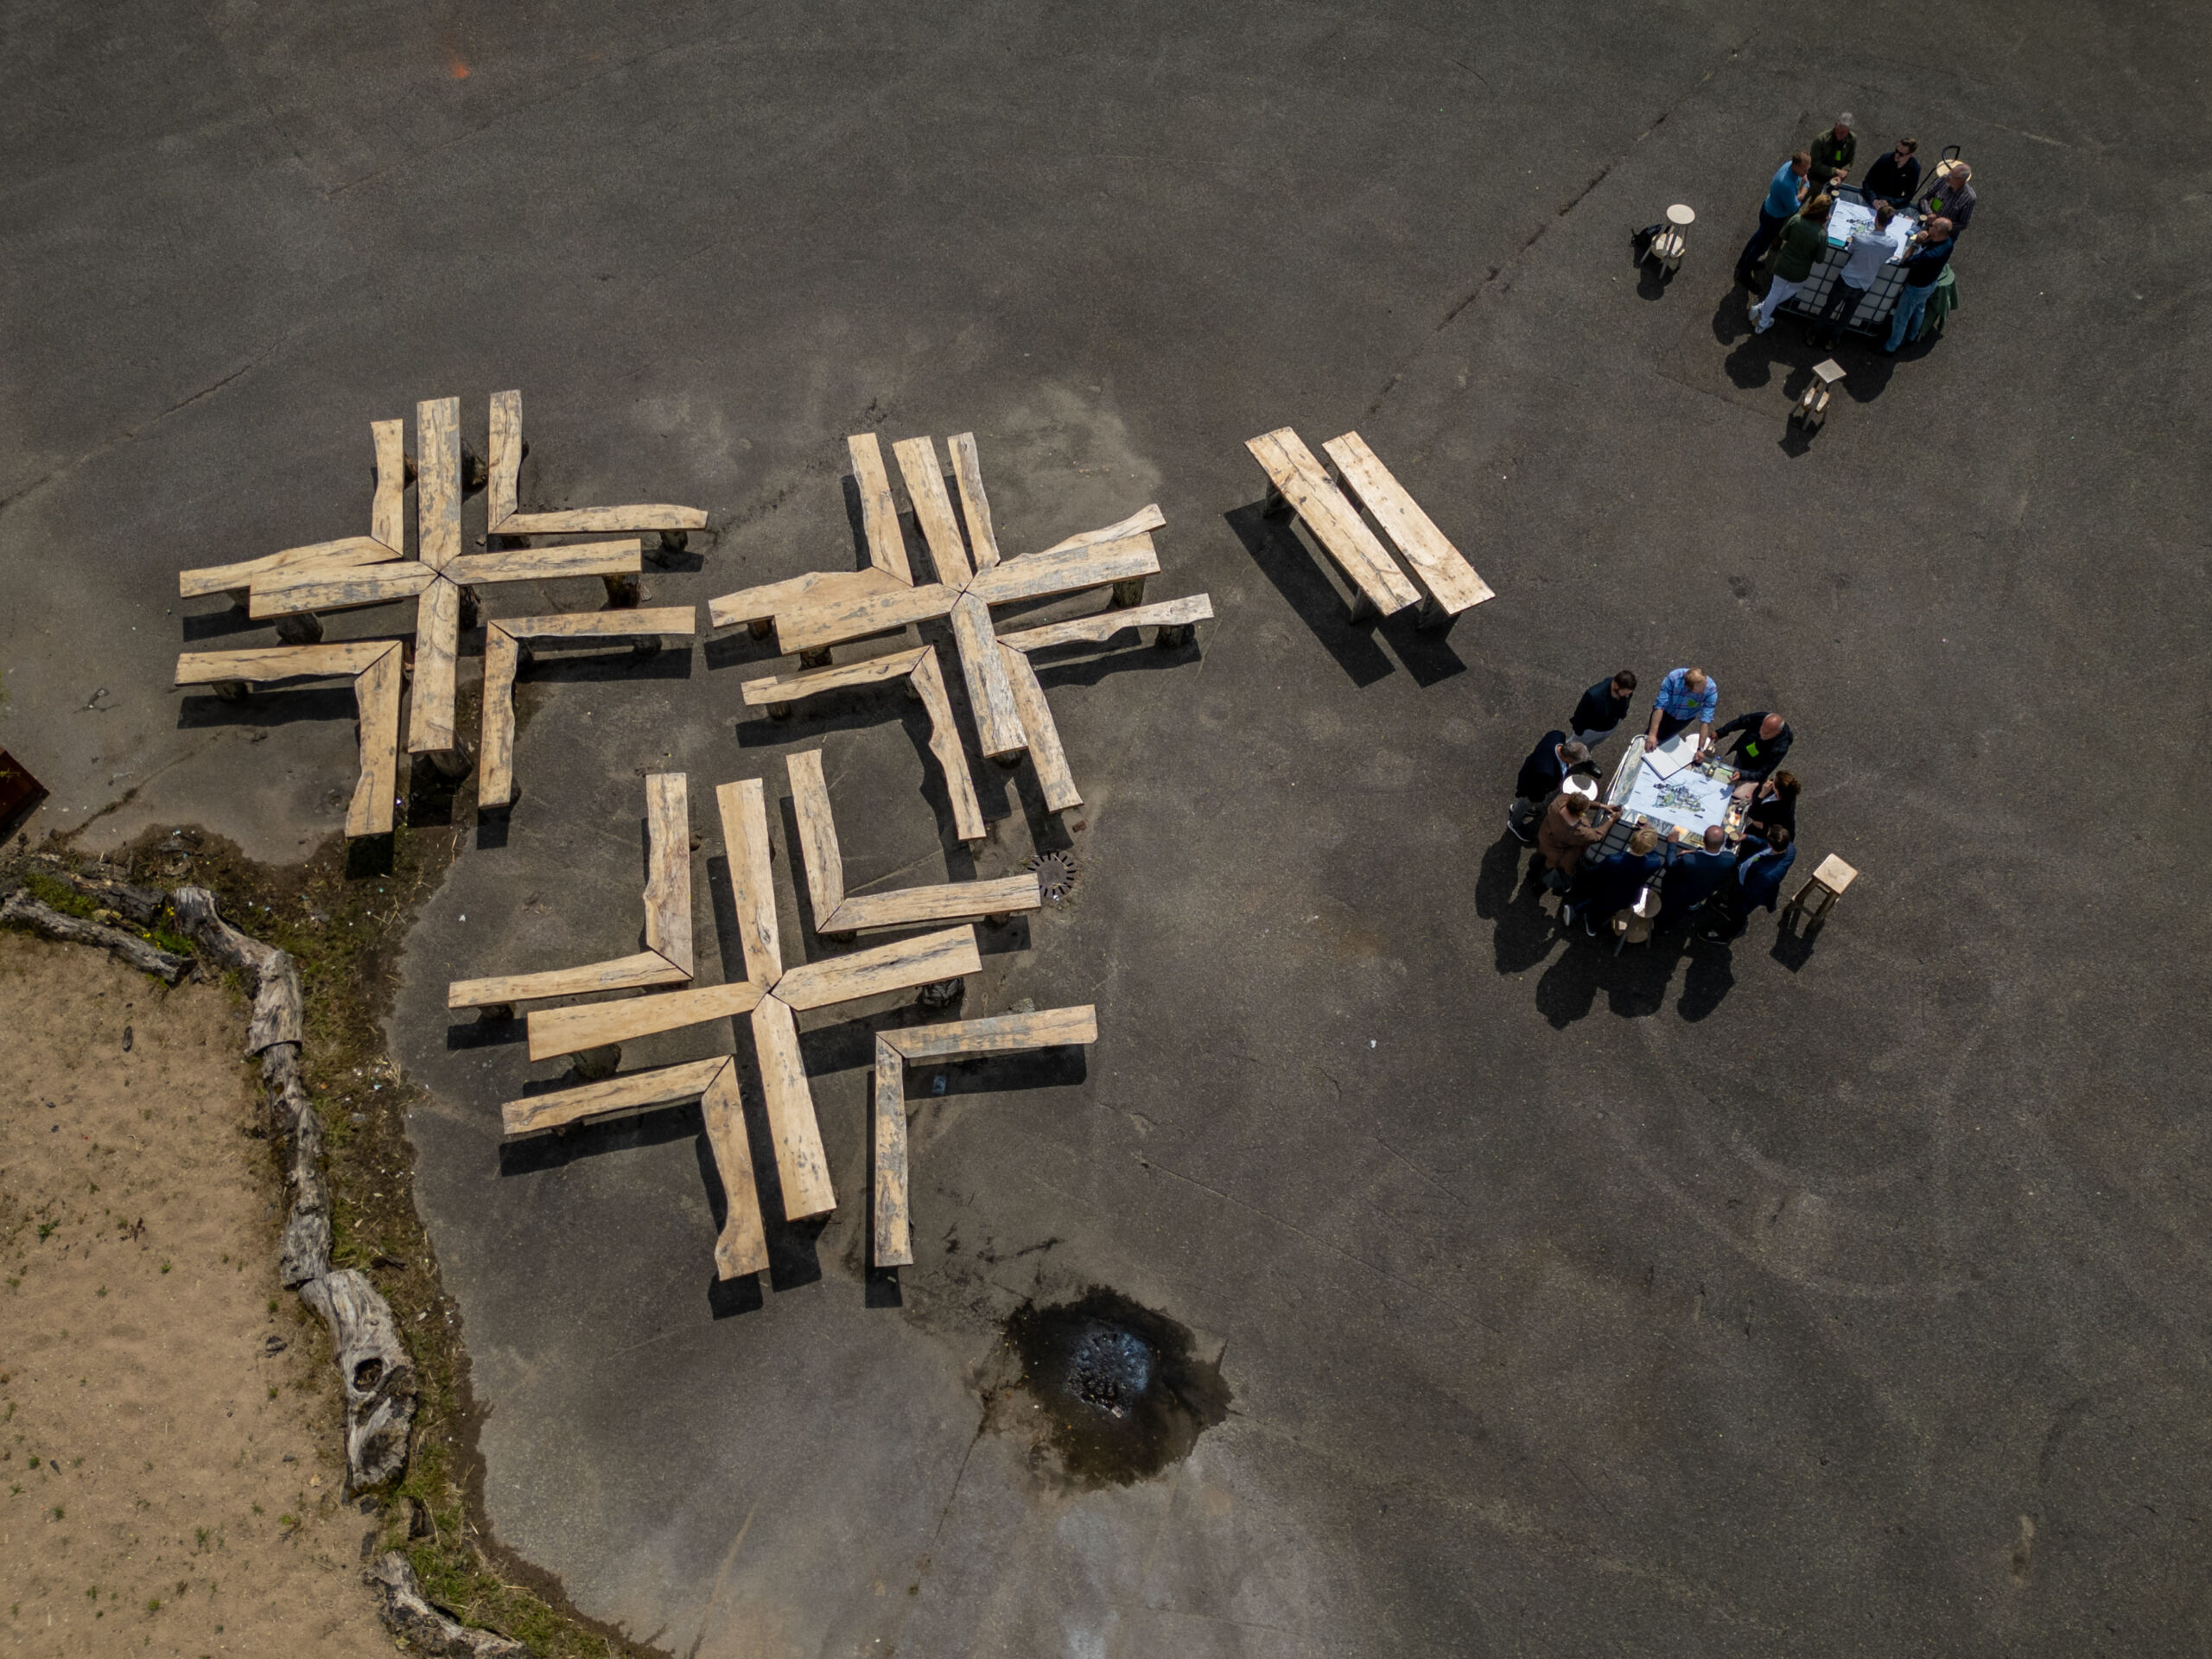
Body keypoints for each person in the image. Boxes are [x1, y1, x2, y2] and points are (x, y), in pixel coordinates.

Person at [1808, 200, 1903, 346]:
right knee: (1847, 315)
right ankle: (1833, 341)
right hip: (1864, 284)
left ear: (1876, 219)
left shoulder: (1860, 238)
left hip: (1846, 279)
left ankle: (1813, 335)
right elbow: (1886, 257)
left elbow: (1850, 250)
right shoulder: (1892, 244)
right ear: (1889, 223)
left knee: (1829, 308)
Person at [1752, 194, 1835, 333]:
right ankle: (1762, 310)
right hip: (1800, 271)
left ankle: (1763, 321)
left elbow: (1783, 235)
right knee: (1793, 288)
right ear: (1825, 215)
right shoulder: (1821, 235)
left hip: (1783, 262)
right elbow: (1820, 259)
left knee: (1775, 291)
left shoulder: (1797, 219)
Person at [1566, 824, 1663, 938]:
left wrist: (1643, 835)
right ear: (1649, 848)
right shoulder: (1654, 864)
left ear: (1632, 841)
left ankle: (1578, 912)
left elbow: (1595, 871)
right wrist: (1647, 838)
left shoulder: (1614, 860)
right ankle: (1591, 926)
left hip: (1606, 889)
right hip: (1628, 895)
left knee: (1596, 902)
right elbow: (1654, 855)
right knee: (1607, 911)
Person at [1700, 826, 1796, 940]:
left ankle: (1723, 936)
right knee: (1733, 898)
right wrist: (1747, 837)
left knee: (1738, 915)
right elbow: (1764, 842)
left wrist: (1737, 893)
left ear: (1771, 845)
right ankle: (1728, 907)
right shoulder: (1789, 847)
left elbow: (1749, 895)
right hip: (1744, 880)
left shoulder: (1767, 876)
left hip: (1746, 892)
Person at [1735, 151, 1812, 289]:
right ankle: (1744, 274)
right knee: (1760, 247)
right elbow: (1793, 207)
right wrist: (1805, 189)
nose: (1806, 173)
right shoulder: (1786, 184)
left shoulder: (1789, 167)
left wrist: (1798, 190)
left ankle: (1743, 262)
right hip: (1773, 219)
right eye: (1805, 170)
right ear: (1796, 166)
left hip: (1768, 210)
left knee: (1758, 237)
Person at [1507, 733, 1595, 843]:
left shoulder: (1557, 736)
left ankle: (1520, 808)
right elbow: (1537, 791)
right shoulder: (1547, 772)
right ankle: (1514, 822)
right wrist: (1539, 798)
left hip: (1534, 775)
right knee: (1526, 802)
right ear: (1569, 759)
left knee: (1527, 803)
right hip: (1532, 787)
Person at [1885, 217, 1955, 353]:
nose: (1929, 227)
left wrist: (1915, 244)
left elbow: (1905, 262)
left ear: (1938, 230)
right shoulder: (1948, 242)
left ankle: (1890, 347)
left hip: (1915, 288)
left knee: (1901, 317)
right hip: (1930, 284)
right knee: (1919, 309)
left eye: (1932, 226)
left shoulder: (1930, 255)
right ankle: (1912, 335)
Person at [1658, 825, 1738, 926]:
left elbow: (1670, 864)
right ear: (1722, 842)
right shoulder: (1730, 859)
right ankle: (1669, 926)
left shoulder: (1689, 860)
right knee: (1679, 911)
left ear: (1703, 839)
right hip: (1699, 893)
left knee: (1667, 909)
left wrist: (1672, 844)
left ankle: (1660, 925)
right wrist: (1697, 852)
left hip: (1676, 892)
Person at [1537, 792, 1620, 890]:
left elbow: (1575, 802)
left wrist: (1602, 806)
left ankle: (1533, 875)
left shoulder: (1559, 802)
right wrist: (1612, 820)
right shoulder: (1577, 832)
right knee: (1559, 874)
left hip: (1545, 839)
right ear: (1580, 813)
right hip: (1559, 856)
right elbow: (1597, 836)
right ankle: (1556, 886)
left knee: (1537, 861)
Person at [1645, 665, 1719, 751]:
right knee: (1649, 738)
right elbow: (1660, 706)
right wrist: (1652, 735)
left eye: (1705, 685)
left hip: (1683, 720)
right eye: (1700, 690)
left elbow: (1705, 720)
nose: (1704, 690)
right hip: (1664, 713)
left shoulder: (1710, 690)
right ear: (1688, 687)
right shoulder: (1674, 678)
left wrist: (1700, 749)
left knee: (1664, 741)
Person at [1713, 710, 1794, 778]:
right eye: (1762, 729)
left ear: (1778, 732)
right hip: (1743, 753)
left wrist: (1742, 775)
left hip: (1756, 767)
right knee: (1734, 772)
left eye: (1767, 733)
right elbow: (1741, 722)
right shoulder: (1761, 718)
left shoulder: (1780, 747)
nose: (1762, 734)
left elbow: (1763, 772)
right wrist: (1720, 733)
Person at [1570, 671, 1637, 751]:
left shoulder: (1626, 690)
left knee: (1589, 747)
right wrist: (1580, 733)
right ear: (1616, 685)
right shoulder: (1593, 696)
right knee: (1573, 749)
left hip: (1608, 728)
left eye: (1629, 694)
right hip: (1590, 731)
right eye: (1625, 693)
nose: (1627, 696)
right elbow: (1580, 716)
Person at [1916, 159, 1977, 236]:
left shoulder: (1969, 198)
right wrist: (1929, 213)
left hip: (1944, 233)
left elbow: (1963, 224)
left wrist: (1943, 225)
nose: (1947, 177)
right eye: (1949, 173)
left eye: (1951, 176)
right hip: (1928, 220)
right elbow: (1924, 198)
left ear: (1961, 180)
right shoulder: (1943, 180)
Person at [1861, 137, 1922, 207]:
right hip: (1874, 196)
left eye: (1901, 154)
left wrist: (1890, 203)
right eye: (1896, 151)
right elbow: (1867, 182)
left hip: (1892, 202)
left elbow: (1909, 196)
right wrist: (1873, 200)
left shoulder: (1914, 168)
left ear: (1910, 155)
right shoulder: (1885, 158)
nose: (1897, 155)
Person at [1743, 771, 1800, 841]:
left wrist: (1762, 794)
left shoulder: (1780, 809)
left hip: (1771, 836)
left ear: (1777, 791)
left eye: (1774, 782)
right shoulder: (1788, 792)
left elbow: (1752, 813)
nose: (1770, 782)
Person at [1808, 114, 1856, 188]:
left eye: (1844, 132)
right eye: (1839, 131)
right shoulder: (1821, 140)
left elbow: (1850, 160)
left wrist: (1841, 174)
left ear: (1849, 131)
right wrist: (1836, 171)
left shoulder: (1852, 139)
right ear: (1836, 125)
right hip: (1816, 178)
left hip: (1834, 179)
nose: (1840, 135)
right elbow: (1815, 164)